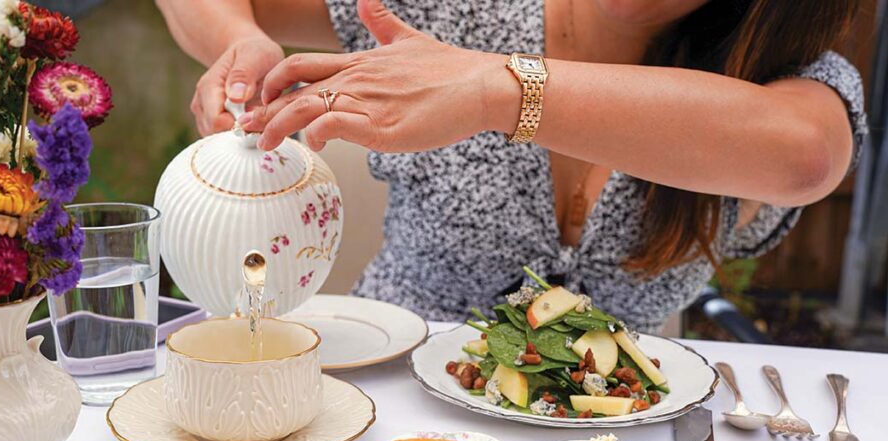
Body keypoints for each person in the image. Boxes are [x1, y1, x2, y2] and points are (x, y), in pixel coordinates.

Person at [157, 0, 866, 331]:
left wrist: (490, 90)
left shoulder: (780, 76)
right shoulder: (454, 8)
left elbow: (806, 156)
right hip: (387, 408)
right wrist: (239, 39)